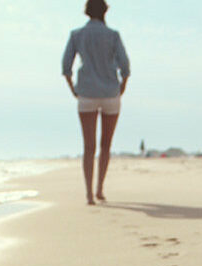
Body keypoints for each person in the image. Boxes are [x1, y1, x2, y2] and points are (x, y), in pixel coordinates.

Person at [62, 0, 130, 205]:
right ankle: (100, 188)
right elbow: (125, 65)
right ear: (105, 12)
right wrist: (122, 85)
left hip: (86, 92)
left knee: (88, 146)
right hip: (110, 91)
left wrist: (72, 87)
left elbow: (66, 66)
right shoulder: (113, 35)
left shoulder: (77, 35)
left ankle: (89, 194)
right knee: (105, 145)